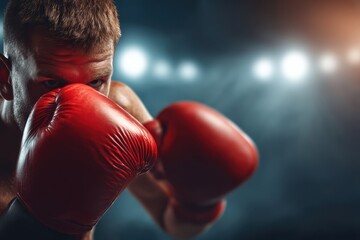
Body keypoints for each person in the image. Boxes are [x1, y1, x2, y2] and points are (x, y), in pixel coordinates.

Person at [0, 0, 259, 239]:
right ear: (5, 79)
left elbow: (173, 222)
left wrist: (197, 203)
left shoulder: (117, 107)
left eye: (96, 81)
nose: (78, 100)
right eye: (53, 83)